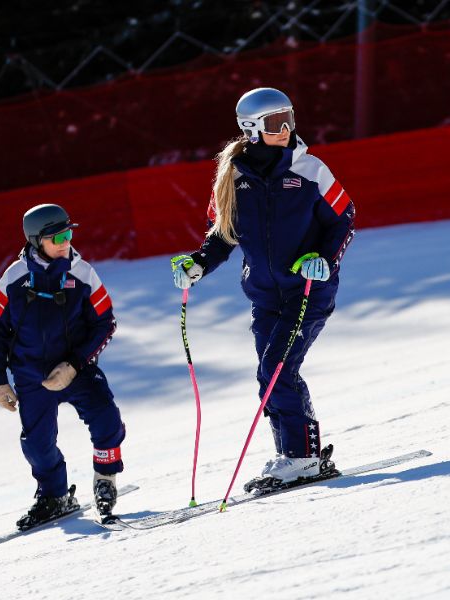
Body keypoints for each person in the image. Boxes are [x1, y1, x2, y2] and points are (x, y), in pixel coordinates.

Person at [172, 87, 355, 485]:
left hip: (308, 289)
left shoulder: (310, 170)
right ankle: (296, 454)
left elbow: (343, 219)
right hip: (264, 295)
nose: (286, 128)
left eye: (289, 117)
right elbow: (222, 235)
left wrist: (324, 259)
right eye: (276, 123)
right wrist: (199, 263)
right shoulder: (233, 177)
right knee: (270, 374)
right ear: (251, 129)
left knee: (276, 369)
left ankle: (301, 457)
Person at [0, 203, 126, 528]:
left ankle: (106, 477)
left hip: (76, 368)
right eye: (57, 237)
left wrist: (75, 365)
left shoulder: (82, 273)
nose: (66, 241)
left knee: (107, 419)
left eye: (69, 233)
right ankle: (54, 495)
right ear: (36, 241)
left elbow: (105, 323)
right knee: (36, 444)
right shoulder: (14, 278)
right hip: (31, 374)